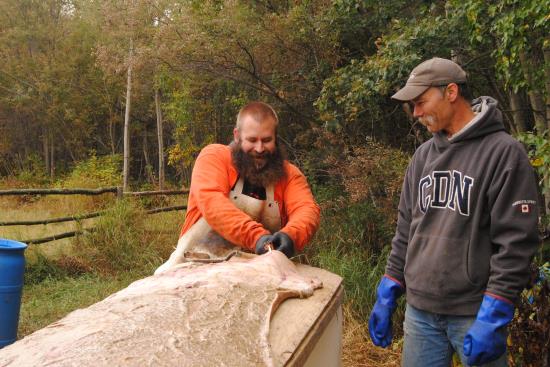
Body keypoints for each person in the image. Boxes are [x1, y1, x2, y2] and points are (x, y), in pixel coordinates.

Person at [368, 57, 540, 366]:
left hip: (474, 313)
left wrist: (496, 311)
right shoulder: (422, 157)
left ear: (450, 92)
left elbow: (516, 242)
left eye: (421, 102)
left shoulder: (503, 153)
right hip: (420, 313)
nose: (416, 113)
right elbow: (407, 228)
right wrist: (390, 285)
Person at [155, 101, 320, 274]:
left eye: (266, 140)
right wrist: (257, 237)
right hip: (191, 267)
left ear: (276, 138)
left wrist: (291, 235)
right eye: (252, 140)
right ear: (237, 135)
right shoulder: (214, 157)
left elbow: (307, 209)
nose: (259, 148)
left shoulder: (290, 175)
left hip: (261, 272)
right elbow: (212, 203)